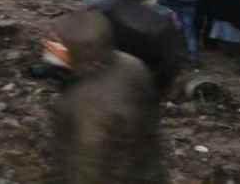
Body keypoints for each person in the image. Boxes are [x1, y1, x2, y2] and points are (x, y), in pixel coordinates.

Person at [45, 11, 166, 184]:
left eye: (57, 46)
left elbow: (87, 166)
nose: (50, 49)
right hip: (146, 165)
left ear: (80, 51)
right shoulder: (131, 64)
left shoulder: (85, 103)